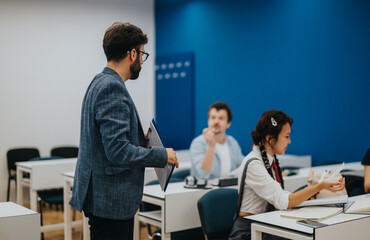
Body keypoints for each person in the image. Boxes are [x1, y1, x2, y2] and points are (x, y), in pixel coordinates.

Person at [69, 22, 179, 240]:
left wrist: (140, 139)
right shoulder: (112, 88)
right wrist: (162, 155)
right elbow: (117, 151)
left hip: (103, 196)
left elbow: (108, 139)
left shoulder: (99, 81)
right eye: (142, 56)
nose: (142, 62)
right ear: (132, 54)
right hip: (111, 199)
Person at [229, 110, 345, 240]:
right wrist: (319, 187)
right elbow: (284, 201)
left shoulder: (269, 160)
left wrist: (316, 190)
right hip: (248, 232)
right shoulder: (254, 164)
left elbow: (283, 198)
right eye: (286, 136)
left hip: (264, 223)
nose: (289, 141)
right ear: (270, 139)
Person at [190, 102, 244, 180]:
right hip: (204, 190)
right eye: (213, 117)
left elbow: (243, 165)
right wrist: (211, 145)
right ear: (208, 121)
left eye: (221, 118)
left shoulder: (232, 142)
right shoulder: (198, 143)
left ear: (228, 123)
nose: (216, 122)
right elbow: (203, 174)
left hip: (228, 187)